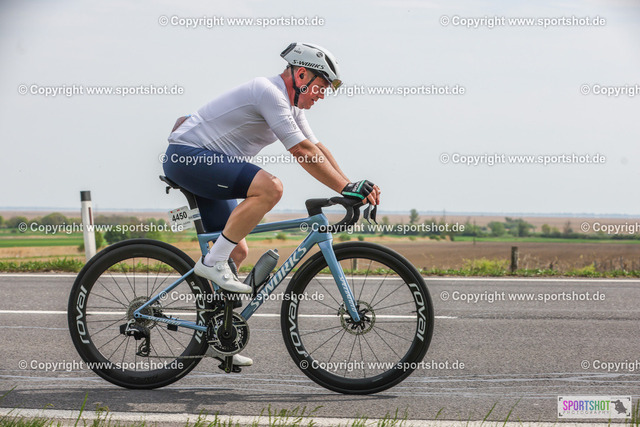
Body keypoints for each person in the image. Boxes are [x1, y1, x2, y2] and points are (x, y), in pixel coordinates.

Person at [162, 42, 380, 365]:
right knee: (270, 188)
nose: (321, 95)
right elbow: (301, 152)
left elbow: (316, 148)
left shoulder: (293, 107)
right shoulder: (269, 93)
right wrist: (345, 187)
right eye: (320, 87)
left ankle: (216, 335)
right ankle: (211, 264)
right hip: (188, 158)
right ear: (302, 75)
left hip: (203, 162)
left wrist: (350, 187)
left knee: (236, 251)